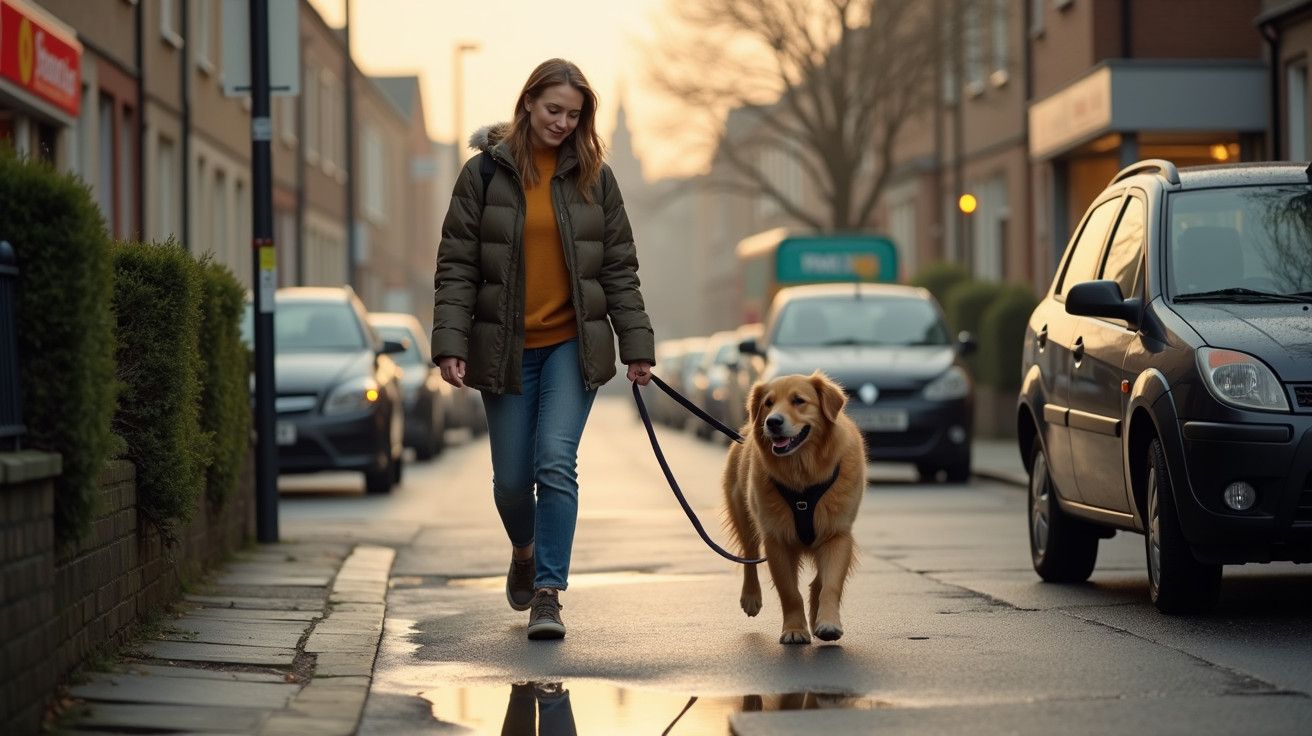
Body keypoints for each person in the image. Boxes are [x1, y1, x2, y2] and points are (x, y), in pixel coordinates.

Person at [432, 59, 655, 640]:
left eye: (573, 114)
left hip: (570, 347)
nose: (561, 122)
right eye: (553, 109)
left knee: (554, 462)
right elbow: (456, 265)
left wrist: (637, 345)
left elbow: (619, 270)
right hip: (503, 349)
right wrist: (450, 344)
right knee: (510, 481)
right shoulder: (482, 175)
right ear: (528, 102)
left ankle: (549, 593)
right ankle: (524, 552)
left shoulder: (596, 179)